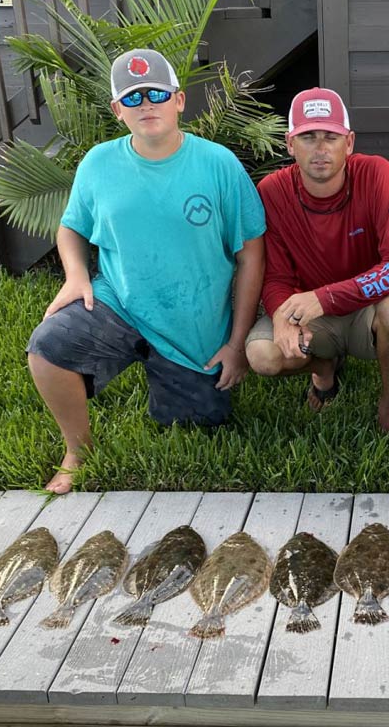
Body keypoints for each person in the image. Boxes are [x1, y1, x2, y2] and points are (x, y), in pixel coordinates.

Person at [27, 48, 266, 494]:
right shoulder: (98, 163)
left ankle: (174, 376)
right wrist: (76, 276)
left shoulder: (218, 164)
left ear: (178, 100)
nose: (147, 105)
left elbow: (251, 255)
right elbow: (70, 228)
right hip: (119, 303)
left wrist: (236, 344)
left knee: (202, 422)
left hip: (192, 327)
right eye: (133, 98)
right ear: (118, 111)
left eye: (157, 93)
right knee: (47, 347)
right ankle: (78, 450)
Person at [245, 87, 389, 432]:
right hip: (314, 315)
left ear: (350, 142)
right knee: (262, 355)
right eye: (308, 136)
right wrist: (282, 316)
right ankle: (324, 370)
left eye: (331, 136)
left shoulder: (376, 173)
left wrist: (325, 297)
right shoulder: (272, 191)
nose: (321, 148)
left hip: (370, 305)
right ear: (290, 144)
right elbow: (278, 275)